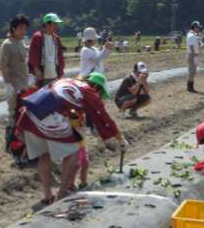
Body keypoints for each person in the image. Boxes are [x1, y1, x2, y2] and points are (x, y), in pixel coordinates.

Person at [17, 73, 128, 203]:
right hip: (49, 113)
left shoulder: (66, 81)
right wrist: (120, 139)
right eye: (100, 93)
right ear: (96, 86)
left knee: (45, 154)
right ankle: (63, 192)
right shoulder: (88, 91)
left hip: (31, 111)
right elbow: (103, 117)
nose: (99, 97)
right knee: (73, 150)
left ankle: (47, 195)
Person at [0, 15, 30, 139]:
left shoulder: (21, 43)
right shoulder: (7, 44)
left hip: (24, 83)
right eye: (20, 28)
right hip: (14, 83)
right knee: (13, 112)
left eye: (25, 28)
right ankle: (10, 140)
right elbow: (2, 64)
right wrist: (7, 84)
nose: (23, 31)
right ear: (13, 28)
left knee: (23, 112)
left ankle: (20, 140)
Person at [28, 13, 65, 88]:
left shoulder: (56, 38)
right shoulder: (37, 36)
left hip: (55, 74)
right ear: (46, 24)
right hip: (43, 74)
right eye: (54, 24)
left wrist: (61, 72)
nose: (56, 26)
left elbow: (60, 56)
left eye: (57, 24)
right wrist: (36, 69)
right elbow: (33, 54)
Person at [68, 110, 89, 191]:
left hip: (83, 145)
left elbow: (82, 129)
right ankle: (70, 184)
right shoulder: (73, 114)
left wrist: (85, 131)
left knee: (86, 164)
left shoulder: (82, 115)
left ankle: (83, 182)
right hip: (76, 146)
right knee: (76, 166)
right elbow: (71, 129)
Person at [186, 21, 202, 93]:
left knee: (192, 71)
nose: (198, 29)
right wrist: (194, 57)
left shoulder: (192, 35)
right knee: (192, 72)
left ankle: (190, 86)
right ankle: (190, 87)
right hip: (192, 55)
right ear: (195, 27)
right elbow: (191, 47)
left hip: (192, 54)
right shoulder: (191, 36)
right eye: (198, 27)